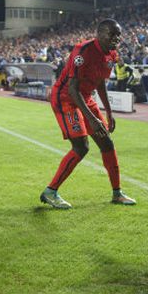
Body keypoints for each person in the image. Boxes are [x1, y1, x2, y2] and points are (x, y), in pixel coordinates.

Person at [40, 19, 136, 209]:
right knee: (81, 146)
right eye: (112, 34)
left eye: (118, 35)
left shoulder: (112, 55)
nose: (116, 38)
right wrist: (92, 120)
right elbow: (73, 89)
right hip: (66, 98)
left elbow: (100, 83)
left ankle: (117, 193)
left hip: (85, 98)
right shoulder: (82, 52)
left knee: (106, 142)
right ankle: (50, 192)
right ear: (99, 34)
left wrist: (108, 112)